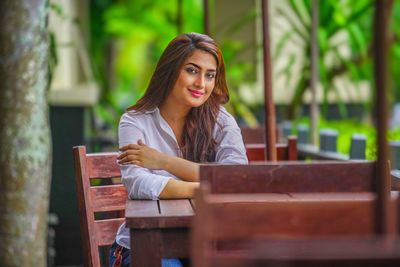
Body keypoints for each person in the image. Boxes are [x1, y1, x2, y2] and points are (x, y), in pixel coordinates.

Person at [109, 32, 248, 267]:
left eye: (210, 75)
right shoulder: (134, 121)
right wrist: (204, 189)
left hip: (209, 241)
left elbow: (236, 178)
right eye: (192, 70)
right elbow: (138, 184)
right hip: (148, 245)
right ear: (171, 70)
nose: (201, 84)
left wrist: (163, 162)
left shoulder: (221, 121)